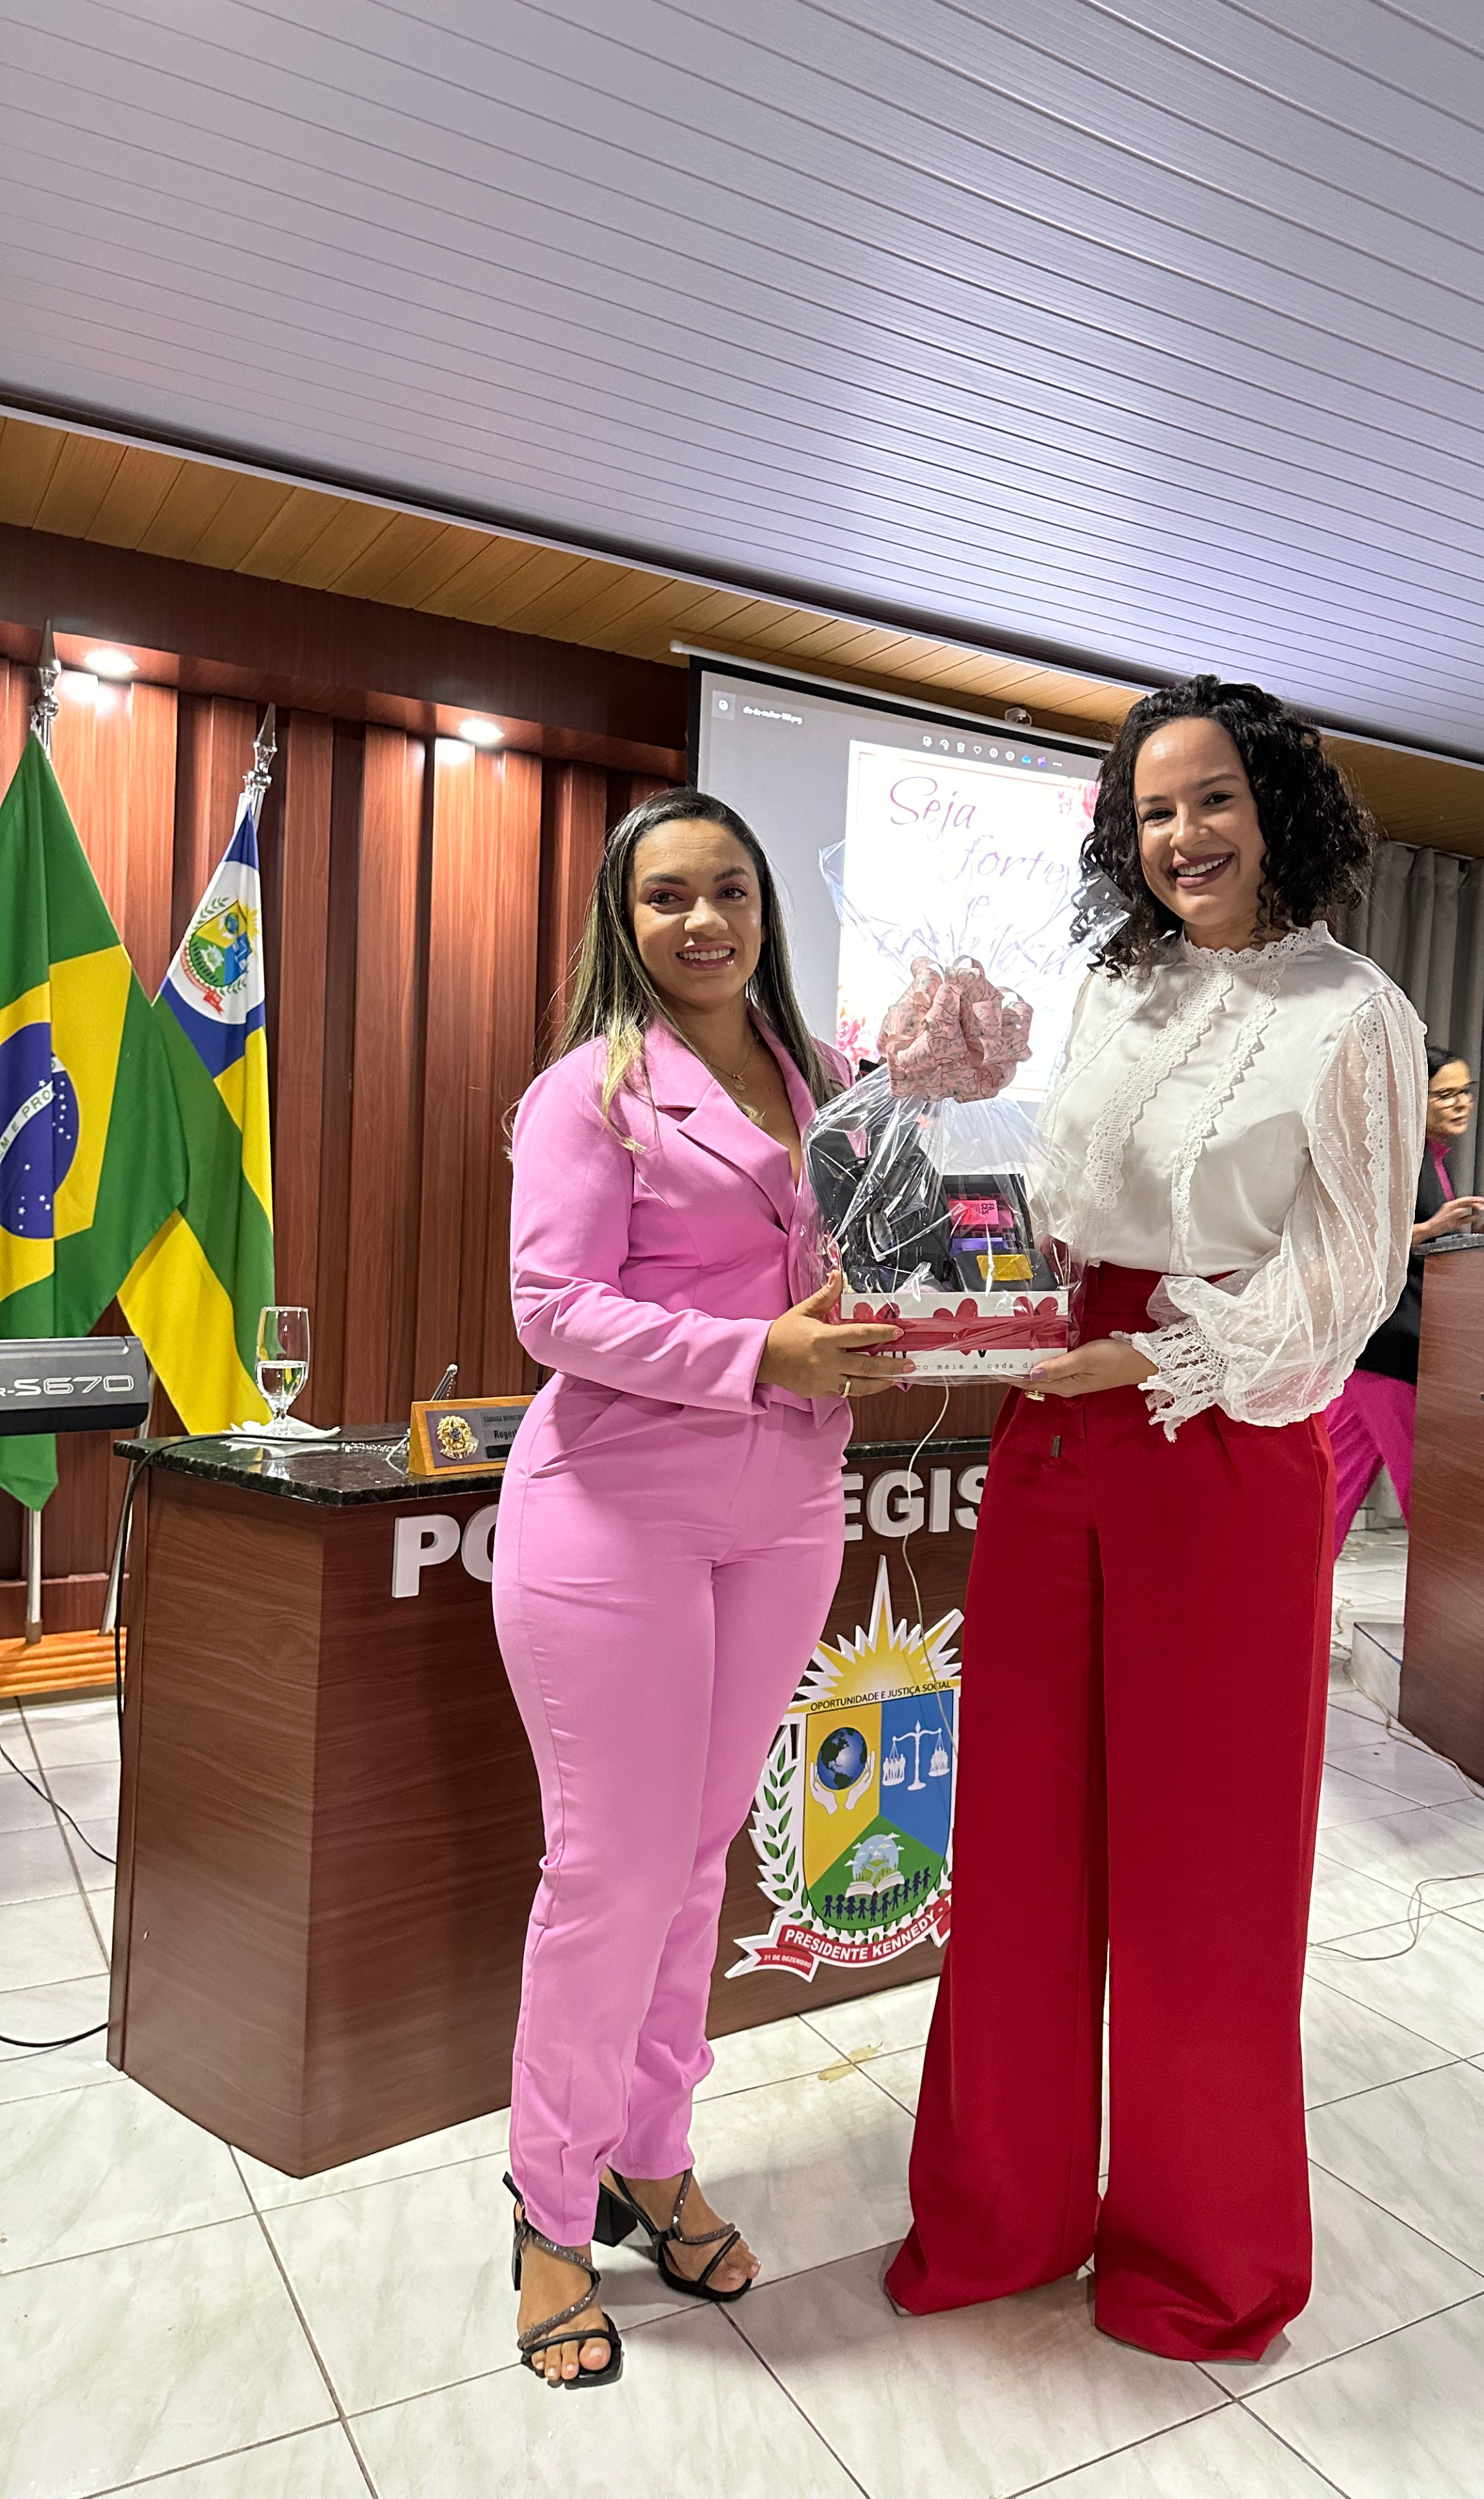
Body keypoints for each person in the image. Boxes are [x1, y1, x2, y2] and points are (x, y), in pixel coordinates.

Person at [884, 676, 1426, 2361]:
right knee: (1019, 1844)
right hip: (1056, 1430)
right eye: (1152, 810)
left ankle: (1204, 2253)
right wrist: (961, 1211)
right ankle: (1006, 2213)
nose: (1181, 835)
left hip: (1221, 1431)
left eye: (1212, 799)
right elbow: (1061, 1208)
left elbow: (1349, 1276)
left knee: (1206, 1870)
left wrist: (1156, 1355)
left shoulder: (1355, 1014)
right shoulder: (1115, 985)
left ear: (1278, 808)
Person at [494, 788, 909, 2387]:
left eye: (728, 888)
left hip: (787, 1509)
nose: (702, 920)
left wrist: (888, 1321)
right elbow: (550, 1306)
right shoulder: (586, 1092)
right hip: (614, 1512)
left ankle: (649, 2156)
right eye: (666, 895)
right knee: (610, 1871)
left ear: (764, 907)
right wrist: (761, 1352)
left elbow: (843, 1280)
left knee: (695, 1861)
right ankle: (548, 2210)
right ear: (625, 921)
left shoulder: (824, 1087)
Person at [1324, 1046, 1484, 1552]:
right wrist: (1433, 1226)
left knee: (1328, 1493)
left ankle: (1288, 1591)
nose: (1461, 1103)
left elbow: (1437, 1255)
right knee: (1430, 1496)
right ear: (1410, 1100)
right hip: (1393, 1346)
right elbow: (1356, 1245)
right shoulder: (1392, 1159)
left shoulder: (1429, 1158)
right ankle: (1449, 1598)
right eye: (1445, 1095)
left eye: (1467, 1092)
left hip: (1378, 1350)